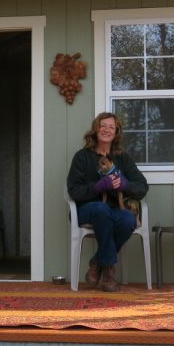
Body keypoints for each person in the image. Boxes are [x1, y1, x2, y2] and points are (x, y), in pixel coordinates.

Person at [66, 112, 149, 292]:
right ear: (96, 130)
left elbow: (142, 186)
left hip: (113, 210)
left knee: (128, 219)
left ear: (116, 132)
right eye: (103, 126)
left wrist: (126, 185)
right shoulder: (82, 157)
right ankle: (109, 273)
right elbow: (73, 190)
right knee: (101, 209)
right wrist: (97, 187)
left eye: (111, 127)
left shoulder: (122, 158)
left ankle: (97, 262)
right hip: (85, 209)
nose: (106, 130)